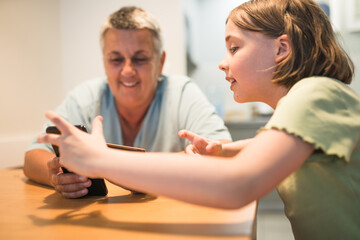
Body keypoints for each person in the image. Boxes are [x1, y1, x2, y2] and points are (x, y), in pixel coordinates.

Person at [37, 0, 360, 239]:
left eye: (234, 48)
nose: (222, 63)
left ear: (281, 50)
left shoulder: (315, 95)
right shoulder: (304, 103)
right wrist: (221, 150)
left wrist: (101, 160)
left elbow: (238, 185)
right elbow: (264, 145)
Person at [24, 6, 231, 198]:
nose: (128, 71)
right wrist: (57, 175)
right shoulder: (86, 96)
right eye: (116, 59)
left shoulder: (183, 93)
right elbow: (33, 156)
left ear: (160, 62)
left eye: (140, 59)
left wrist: (106, 164)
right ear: (104, 63)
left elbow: (221, 149)